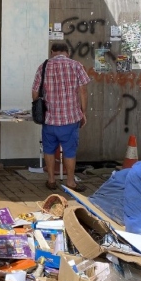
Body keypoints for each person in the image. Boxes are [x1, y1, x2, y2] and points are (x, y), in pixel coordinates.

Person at [31, 43, 91, 192]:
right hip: (70, 119)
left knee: (49, 150)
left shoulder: (43, 66)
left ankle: (51, 180)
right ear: (67, 52)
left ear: (52, 52)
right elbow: (83, 91)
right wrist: (83, 112)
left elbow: (34, 92)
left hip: (49, 119)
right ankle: (70, 182)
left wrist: (38, 108)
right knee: (70, 151)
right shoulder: (76, 65)